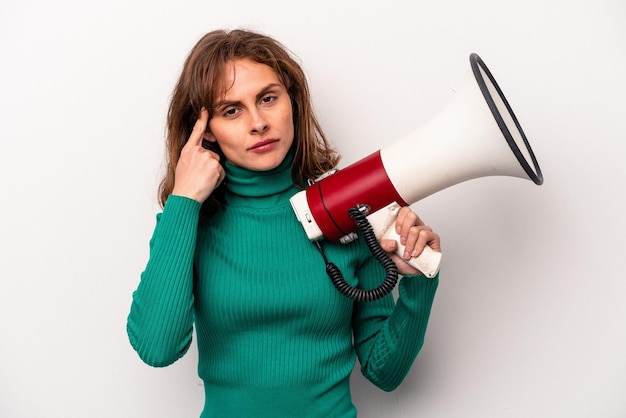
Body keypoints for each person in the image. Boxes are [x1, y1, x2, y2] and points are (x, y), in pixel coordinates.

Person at [127, 29, 441, 418]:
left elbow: (384, 372)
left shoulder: (346, 211)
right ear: (204, 131)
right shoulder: (189, 224)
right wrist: (184, 200)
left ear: (291, 102)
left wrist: (418, 279)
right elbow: (157, 348)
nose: (258, 123)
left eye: (268, 98)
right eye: (231, 110)